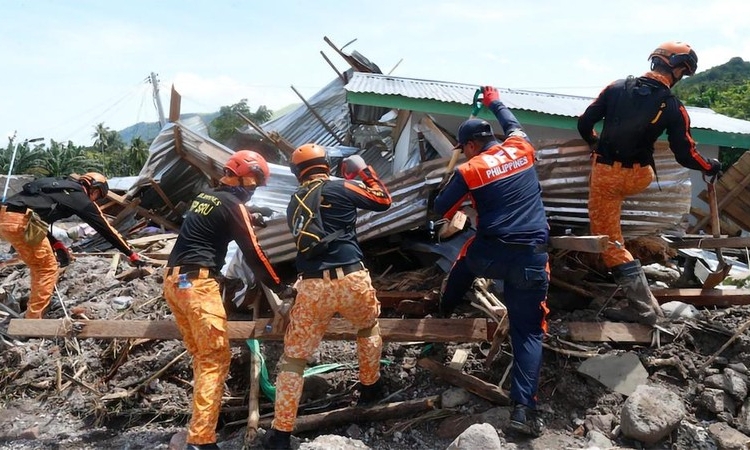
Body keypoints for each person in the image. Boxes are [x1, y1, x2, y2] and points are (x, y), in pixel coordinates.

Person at [577, 41, 722, 325]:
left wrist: (596, 143)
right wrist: (710, 166)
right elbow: (685, 153)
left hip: (607, 177)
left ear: (655, 61)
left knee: (609, 241)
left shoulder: (616, 88)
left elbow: (584, 123)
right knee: (614, 215)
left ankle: (643, 309)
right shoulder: (672, 106)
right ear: (679, 69)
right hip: (641, 177)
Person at [433, 86, 550, 437]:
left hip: (490, 255)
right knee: (528, 330)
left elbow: (441, 210)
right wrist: (493, 101)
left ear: (469, 147)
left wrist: (457, 190)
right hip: (530, 256)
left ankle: (444, 309)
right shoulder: (521, 147)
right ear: (490, 138)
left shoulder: (469, 170)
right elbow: (511, 122)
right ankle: (523, 411)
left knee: (466, 258)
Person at [262, 144, 392, 449]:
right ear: (326, 165)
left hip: (311, 287)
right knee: (368, 328)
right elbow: (384, 200)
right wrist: (363, 171)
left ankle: (281, 433)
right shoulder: (342, 187)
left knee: (294, 360)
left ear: (297, 173)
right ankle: (370, 387)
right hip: (351, 280)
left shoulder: (294, 202)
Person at [163, 150, 287, 450]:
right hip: (198, 286)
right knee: (215, 359)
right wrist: (281, 288)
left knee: (203, 358)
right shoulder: (233, 205)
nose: (255, 186)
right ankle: (202, 441)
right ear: (243, 174)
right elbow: (254, 253)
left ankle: (204, 422)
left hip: (174, 282)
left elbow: (214, 221)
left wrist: (250, 215)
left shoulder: (205, 197)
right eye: (255, 179)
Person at [0, 172, 143, 319]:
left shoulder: (59, 188)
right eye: (98, 196)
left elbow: (38, 220)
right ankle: (33, 320)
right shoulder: (79, 196)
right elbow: (106, 229)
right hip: (22, 222)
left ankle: (36, 306)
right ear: (94, 189)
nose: (95, 200)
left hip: (6, 216)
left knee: (38, 265)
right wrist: (130, 253)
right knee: (47, 269)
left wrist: (56, 244)